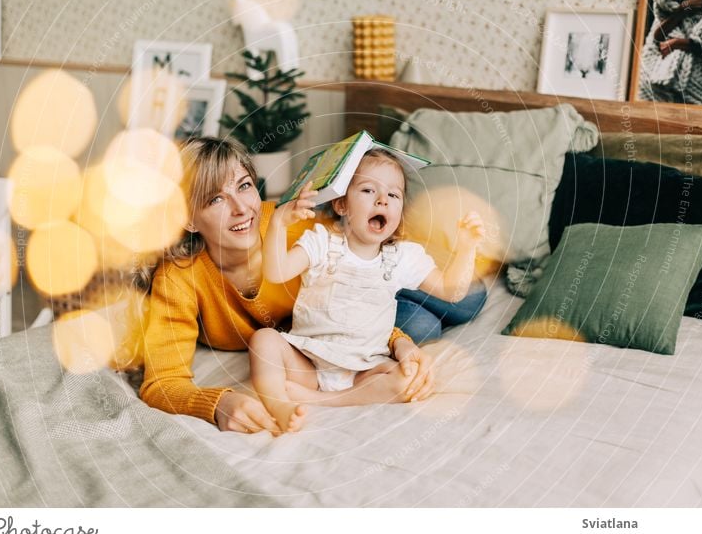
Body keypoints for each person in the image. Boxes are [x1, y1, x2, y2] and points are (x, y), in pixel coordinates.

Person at [138, 137, 485, 434]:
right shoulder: (179, 277)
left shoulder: (293, 225)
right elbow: (162, 383)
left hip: (362, 292)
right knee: (425, 323)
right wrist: (217, 403)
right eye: (216, 199)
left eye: (244, 186)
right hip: (314, 339)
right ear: (188, 218)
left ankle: (450, 261)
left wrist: (400, 344)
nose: (242, 208)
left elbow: (353, 284)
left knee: (468, 299)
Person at [248, 150, 484, 433]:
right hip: (309, 362)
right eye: (368, 189)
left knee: (407, 380)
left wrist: (467, 248)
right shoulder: (322, 243)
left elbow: (452, 291)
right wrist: (277, 223)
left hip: (365, 369)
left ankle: (323, 401)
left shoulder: (403, 257)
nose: (382, 199)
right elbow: (276, 272)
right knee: (264, 340)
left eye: (393, 195)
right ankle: (277, 404)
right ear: (341, 204)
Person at [638, 0, 702, 105]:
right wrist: (685, 8)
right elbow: (658, 36)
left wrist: (677, 43)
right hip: (657, 71)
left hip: (696, 74)